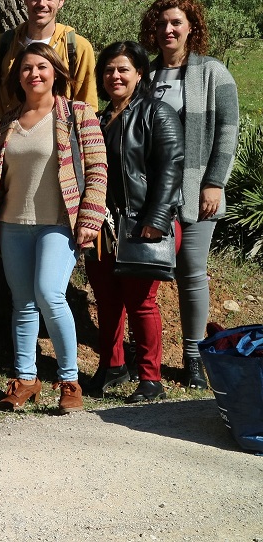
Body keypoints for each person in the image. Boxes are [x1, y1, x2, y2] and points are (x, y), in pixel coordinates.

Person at [0, 43, 107, 414]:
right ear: (17, 76)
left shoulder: (77, 114)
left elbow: (98, 170)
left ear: (56, 72)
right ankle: (25, 379)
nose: (34, 74)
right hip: (12, 223)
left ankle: (70, 380)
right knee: (22, 303)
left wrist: (90, 219)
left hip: (59, 223)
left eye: (42, 67)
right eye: (26, 68)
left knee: (49, 293)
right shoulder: (7, 121)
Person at [138, 0, 239, 389]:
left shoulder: (213, 72)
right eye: (161, 23)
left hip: (198, 192)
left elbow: (228, 131)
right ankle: (145, 360)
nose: (168, 30)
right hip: (153, 195)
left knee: (192, 274)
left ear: (191, 27)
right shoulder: (146, 75)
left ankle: (195, 358)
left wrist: (215, 181)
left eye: (176, 23)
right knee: (145, 274)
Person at [87, 41, 183, 402]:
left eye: (123, 69)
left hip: (144, 224)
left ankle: (151, 378)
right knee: (107, 301)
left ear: (140, 73)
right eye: (109, 69)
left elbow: (171, 168)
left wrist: (156, 219)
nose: (115, 76)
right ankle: (112, 367)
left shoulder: (157, 113)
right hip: (103, 227)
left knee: (141, 303)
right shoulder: (98, 118)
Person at [0, 0, 98, 119]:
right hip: (9, 138)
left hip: (59, 139)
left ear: (61, 1)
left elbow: (88, 107)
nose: (42, 3)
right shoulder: (2, 44)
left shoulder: (78, 47)